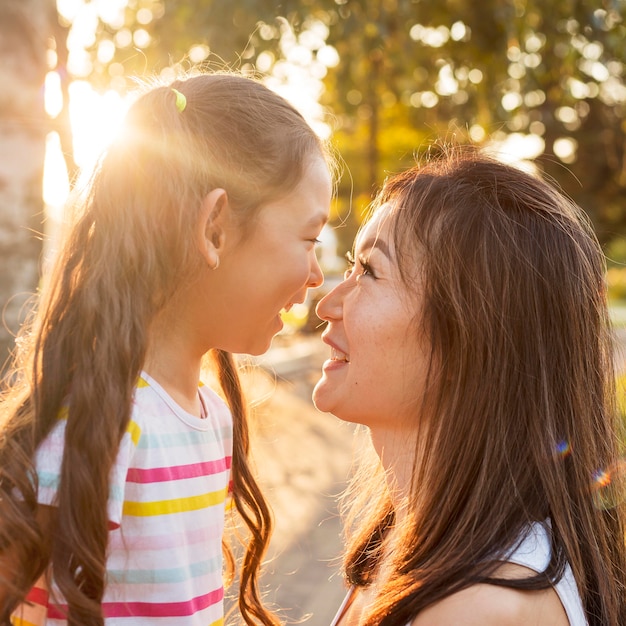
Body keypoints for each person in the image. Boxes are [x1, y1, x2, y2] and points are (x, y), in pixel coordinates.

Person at [0, 71, 333, 625]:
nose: (318, 275)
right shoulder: (102, 426)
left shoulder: (213, 420)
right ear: (216, 229)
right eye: (309, 239)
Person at [313, 148, 626, 626]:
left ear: (470, 339)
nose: (328, 304)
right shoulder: (428, 538)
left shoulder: (476, 606)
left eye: (369, 271)